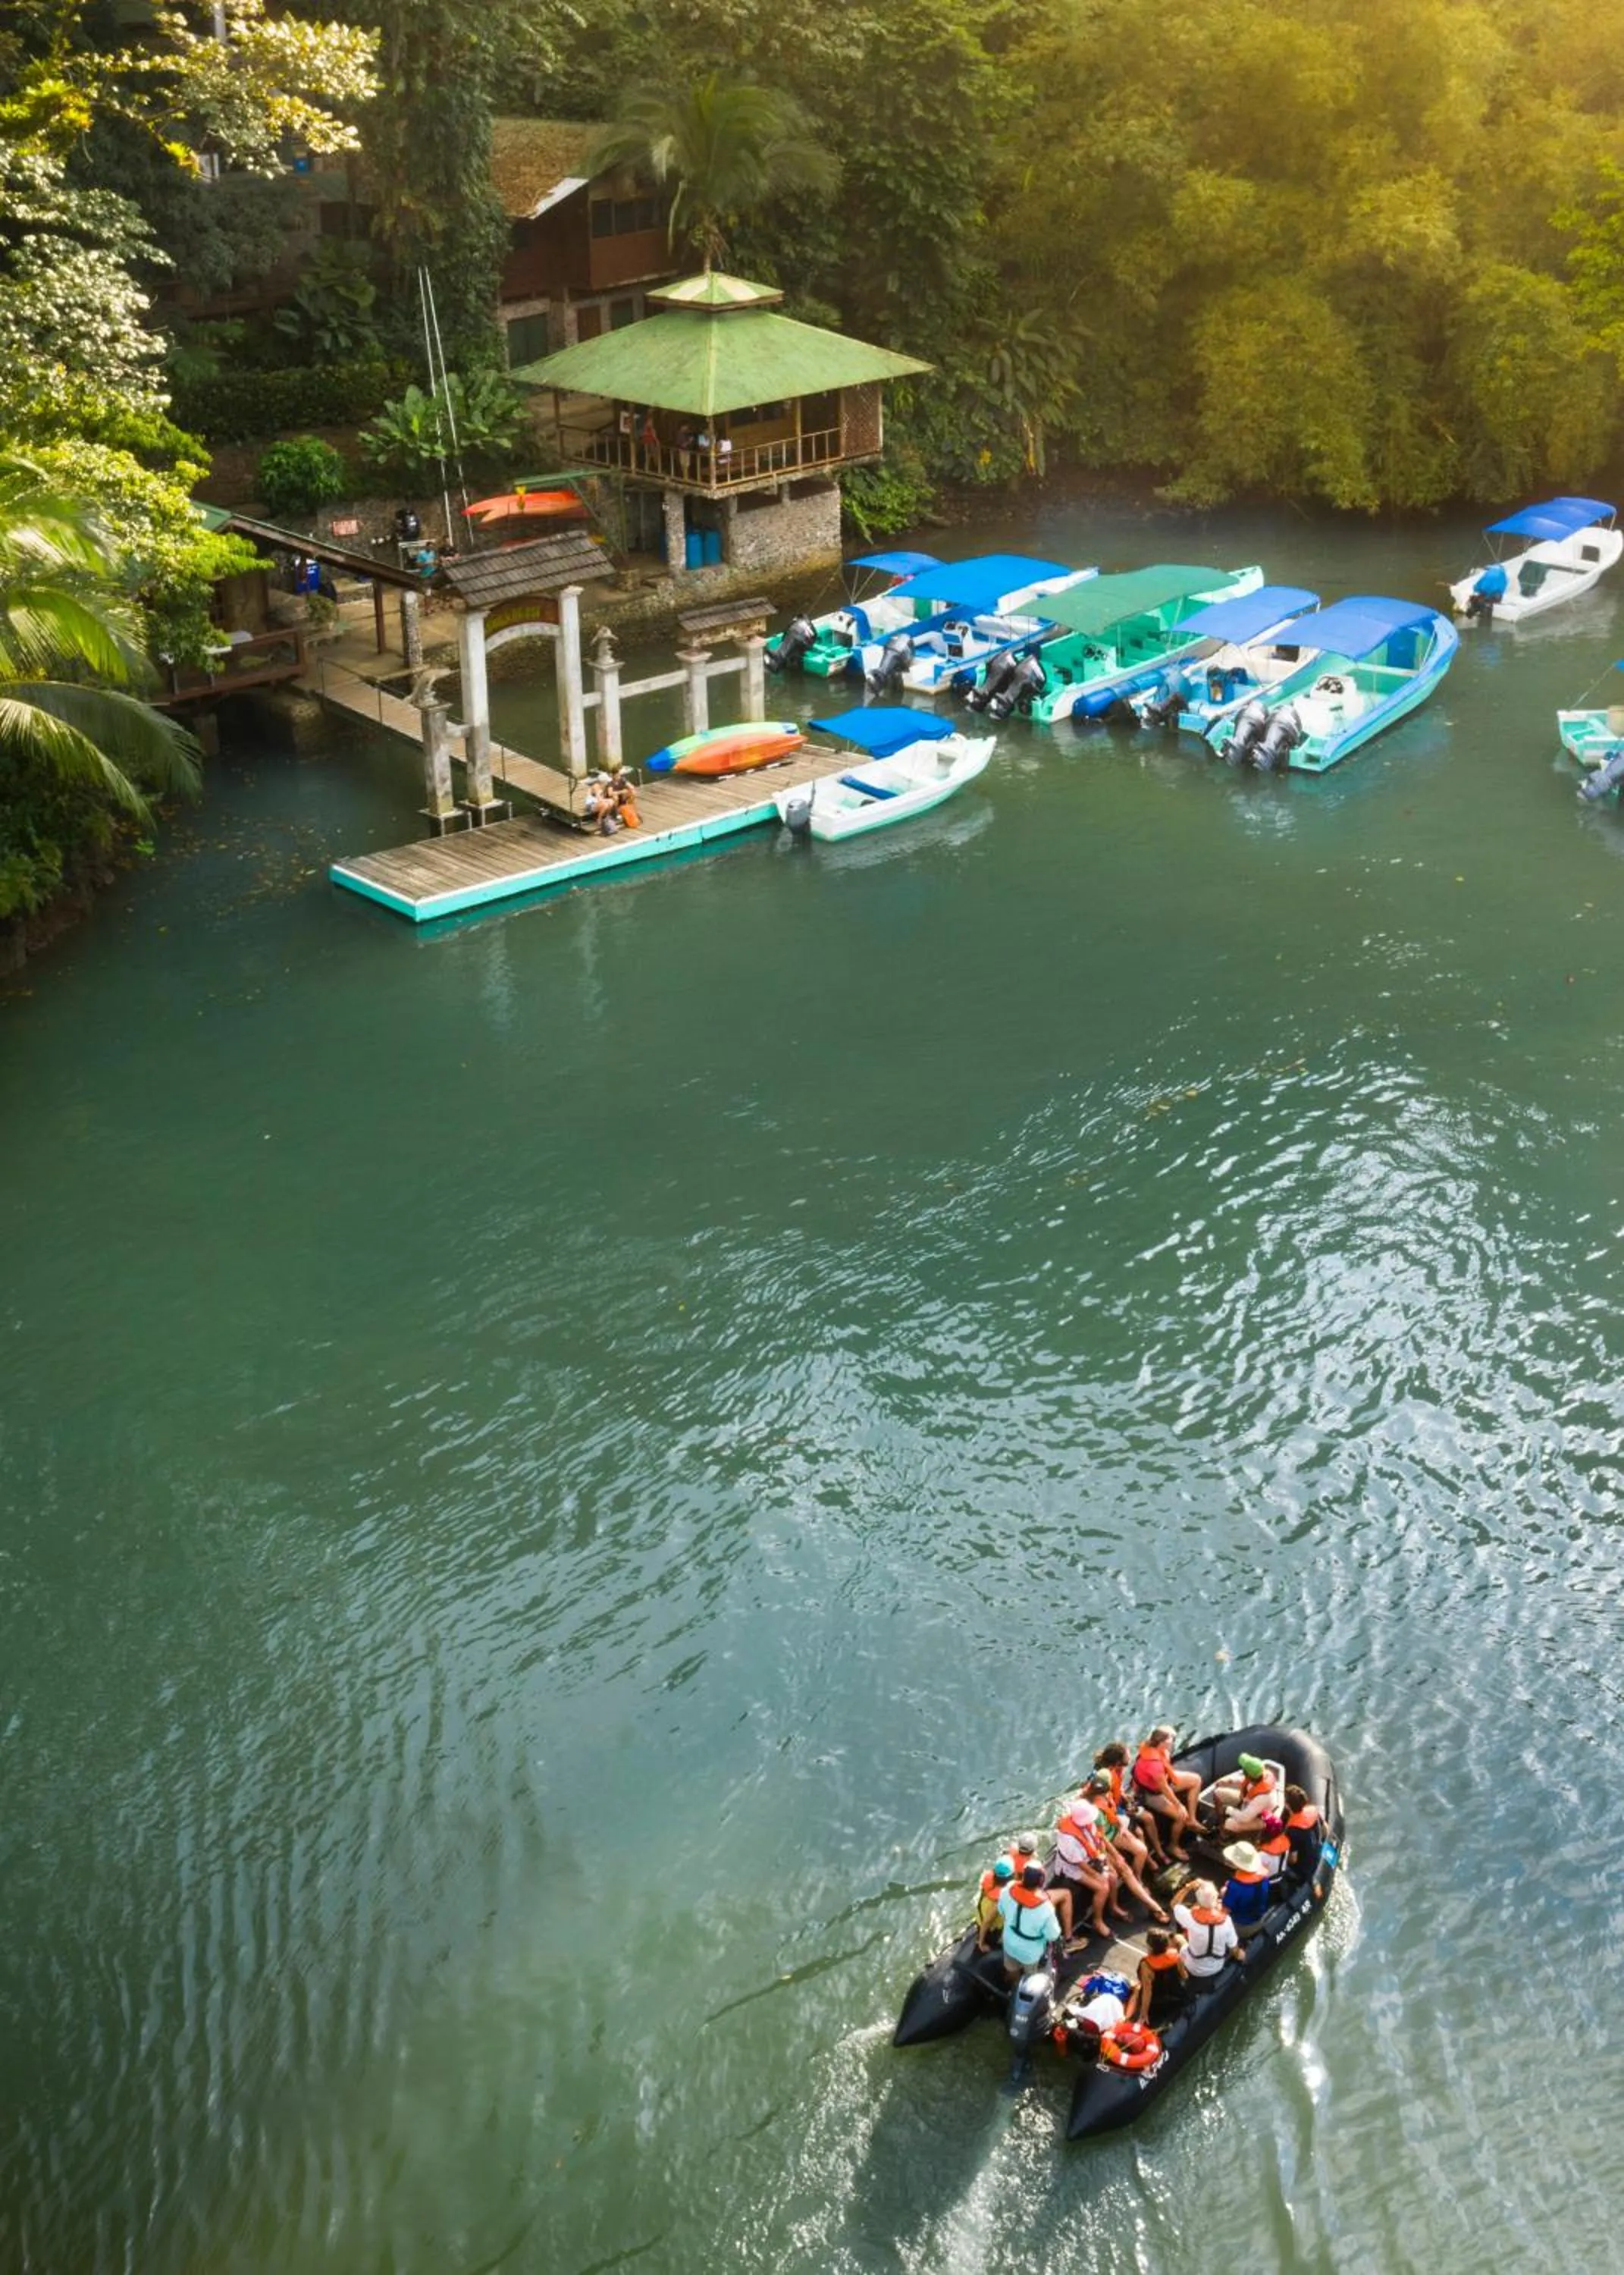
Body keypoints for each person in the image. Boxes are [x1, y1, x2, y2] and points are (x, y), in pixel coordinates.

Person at [1094, 1742, 1168, 1868]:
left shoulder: (1118, 1769)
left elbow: (1117, 1789)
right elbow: (1106, 1804)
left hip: (1119, 1804)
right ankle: (1149, 1861)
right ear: (1118, 1762)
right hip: (1114, 1810)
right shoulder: (1106, 1778)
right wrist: (1123, 1812)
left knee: (1148, 1818)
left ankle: (1160, 1852)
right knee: (1139, 1832)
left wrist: (1123, 1795)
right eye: (1127, 1756)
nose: (1130, 1757)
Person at [1131, 1727, 1199, 1859]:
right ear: (1162, 1742)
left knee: (1196, 1780)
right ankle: (1173, 1846)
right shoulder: (1154, 1766)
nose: (1173, 1741)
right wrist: (1179, 1805)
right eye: (1170, 1739)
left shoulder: (1157, 1749)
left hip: (1166, 1782)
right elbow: (1164, 1789)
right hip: (1153, 1794)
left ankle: (1192, 1820)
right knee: (1180, 1816)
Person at [998, 1862, 1063, 1982]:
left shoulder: (1007, 1889)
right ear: (1041, 1881)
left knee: (1012, 1970)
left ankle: (1013, 1985)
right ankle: (1025, 1988)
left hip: (1008, 1943)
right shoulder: (1046, 1908)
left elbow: (1001, 1911)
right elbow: (1053, 1935)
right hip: (1030, 1953)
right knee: (1030, 1978)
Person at [1174, 1880, 1245, 1988]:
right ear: (1216, 1899)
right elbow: (1234, 1949)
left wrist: (1188, 1887)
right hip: (1217, 1966)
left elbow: (1174, 1904)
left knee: (1178, 1937)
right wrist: (1241, 1955)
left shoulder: (1189, 1917)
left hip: (1192, 1967)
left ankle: (1180, 1971)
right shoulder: (1226, 1922)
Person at [1008, 1832, 1074, 1941]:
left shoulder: (1012, 1857)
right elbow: (1039, 1886)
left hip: (1016, 1895)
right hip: (1031, 1899)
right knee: (1066, 1894)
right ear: (1034, 1849)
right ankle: (1069, 1938)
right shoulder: (1035, 1866)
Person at [1124, 1926, 1187, 2029]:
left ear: (1150, 1947)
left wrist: (1143, 2015)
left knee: (1138, 1988)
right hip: (1176, 1997)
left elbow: (1147, 1992)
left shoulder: (1146, 1965)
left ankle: (1128, 2018)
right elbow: (1184, 1975)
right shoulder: (1176, 1955)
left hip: (1157, 2002)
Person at [1208, 1753, 1280, 1837]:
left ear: (1248, 1775)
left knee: (1229, 1824)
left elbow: (1244, 1818)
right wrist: (1228, 1781)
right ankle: (1221, 1825)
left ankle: (1227, 1835)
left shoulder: (1262, 1798)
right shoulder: (1258, 1776)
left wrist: (1228, 1810)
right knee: (1218, 1793)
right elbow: (1245, 1782)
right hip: (1248, 1803)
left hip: (1259, 1817)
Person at [1221, 1840, 1271, 1935]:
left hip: (1241, 1927)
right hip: (1260, 1920)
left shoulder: (1235, 1886)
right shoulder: (1264, 1876)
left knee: (1222, 1893)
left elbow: (1225, 1912)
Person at [975, 1856, 1014, 1953]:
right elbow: (987, 1921)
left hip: (980, 1920)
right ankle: (997, 1940)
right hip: (991, 1932)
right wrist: (981, 1943)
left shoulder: (988, 1884)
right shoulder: (998, 1902)